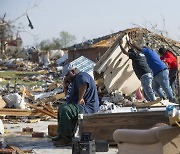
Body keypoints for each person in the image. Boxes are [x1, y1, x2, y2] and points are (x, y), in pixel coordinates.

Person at [53, 68, 99, 147]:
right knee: (62, 107)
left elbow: (84, 83)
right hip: (79, 106)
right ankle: (61, 135)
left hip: (87, 108)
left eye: (67, 75)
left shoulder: (81, 75)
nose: (66, 77)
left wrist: (80, 98)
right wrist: (65, 87)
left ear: (73, 72)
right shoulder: (73, 82)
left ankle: (66, 138)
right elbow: (69, 99)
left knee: (65, 110)